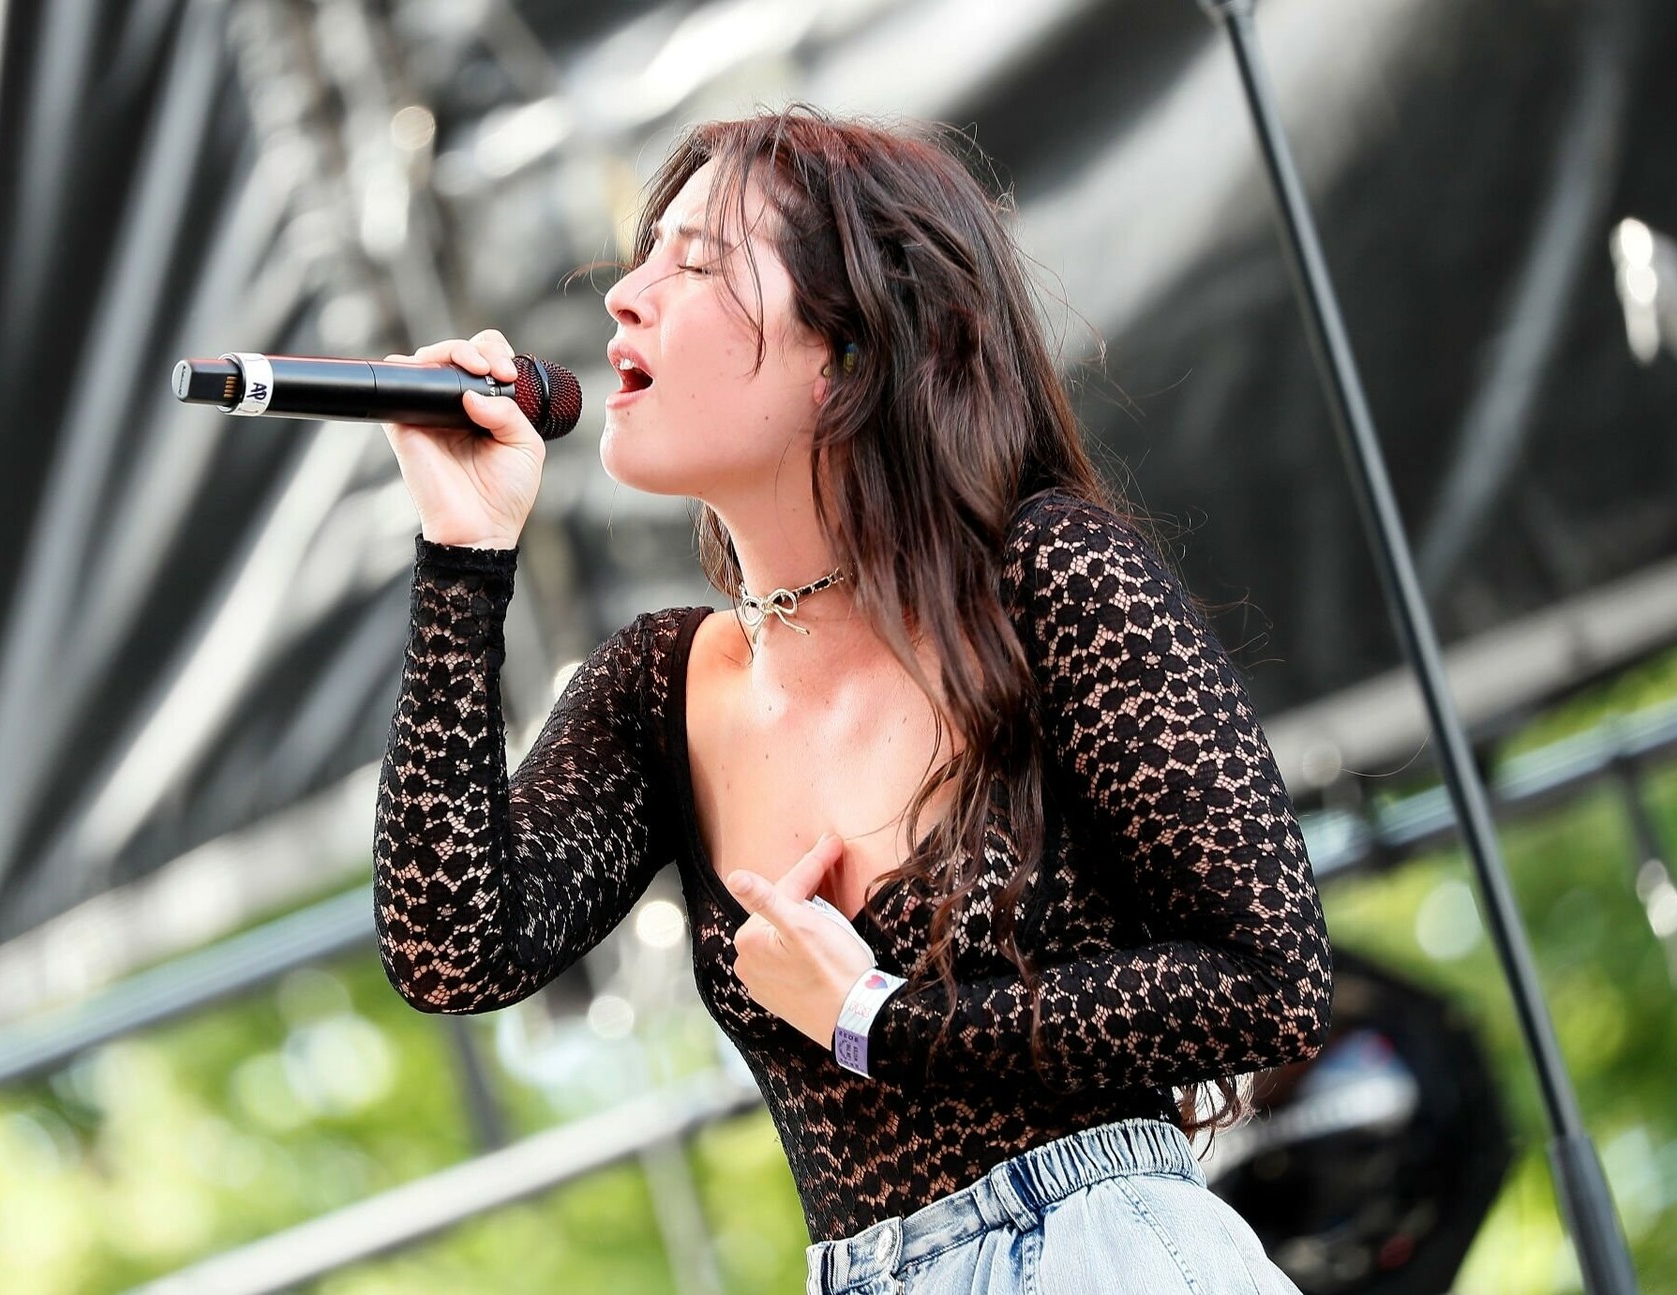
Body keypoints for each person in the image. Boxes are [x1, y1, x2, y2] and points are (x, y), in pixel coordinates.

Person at [373, 104, 1332, 1294]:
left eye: (697, 264)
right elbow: (451, 950)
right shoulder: (660, 687)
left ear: (849, 352)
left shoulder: (1047, 579)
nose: (625, 295)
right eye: (641, 255)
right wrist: (463, 554)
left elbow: (1270, 983)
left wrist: (878, 1018)